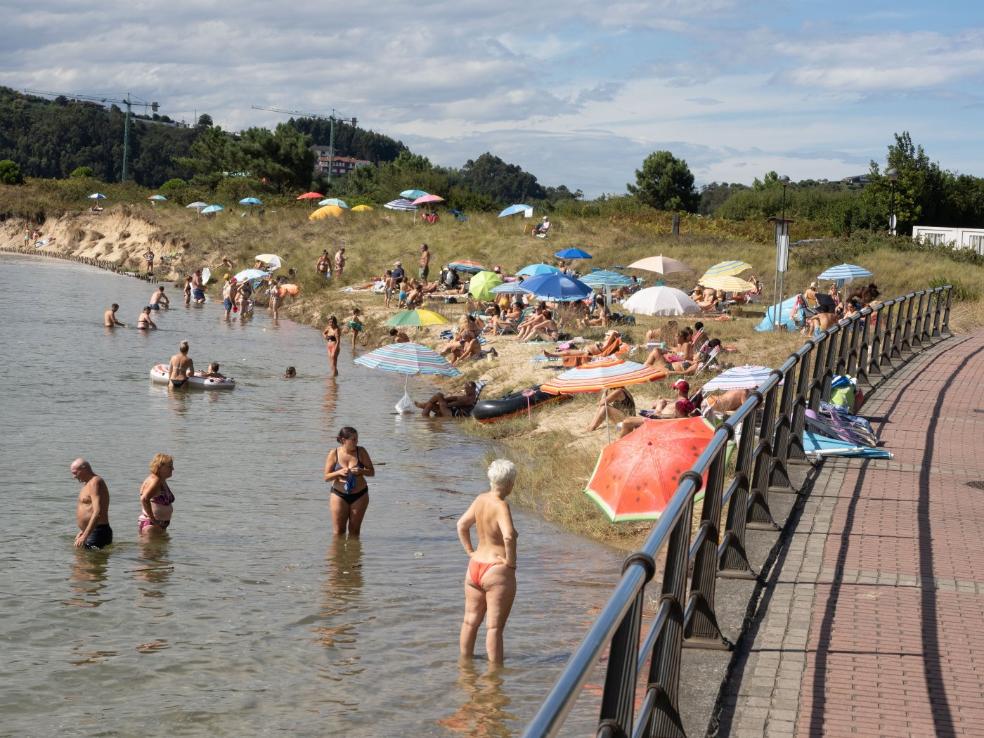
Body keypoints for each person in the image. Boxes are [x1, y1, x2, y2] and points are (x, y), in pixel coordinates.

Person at [456, 459, 518, 665]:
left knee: (469, 621)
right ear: (510, 483)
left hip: (475, 567)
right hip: (495, 569)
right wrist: (511, 561)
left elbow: (461, 525)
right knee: (494, 628)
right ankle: (495, 678)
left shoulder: (480, 499)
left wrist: (470, 551)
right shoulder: (501, 505)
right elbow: (508, 536)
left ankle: (465, 668)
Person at [323, 427, 375, 537]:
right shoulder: (334, 453)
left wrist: (361, 471)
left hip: (360, 495)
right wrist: (339, 472)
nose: (356, 442)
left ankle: (353, 554)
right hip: (339, 494)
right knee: (338, 532)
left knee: (354, 532)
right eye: (353, 439)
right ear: (343, 440)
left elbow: (371, 472)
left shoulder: (361, 451)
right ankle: (338, 554)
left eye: (357, 439)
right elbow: (326, 477)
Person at [71, 458, 112, 549]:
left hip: (98, 532)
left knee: (88, 562)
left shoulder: (95, 482)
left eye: (75, 473)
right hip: (92, 531)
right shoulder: (87, 484)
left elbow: (97, 512)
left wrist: (85, 535)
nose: (74, 477)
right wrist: (84, 530)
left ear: (84, 469)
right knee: (81, 561)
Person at [138, 453, 175, 537]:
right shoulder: (156, 480)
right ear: (159, 466)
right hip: (152, 525)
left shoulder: (161, 480)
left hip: (158, 525)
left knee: (160, 549)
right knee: (151, 549)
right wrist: (153, 520)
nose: (173, 469)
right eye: (169, 466)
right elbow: (144, 499)